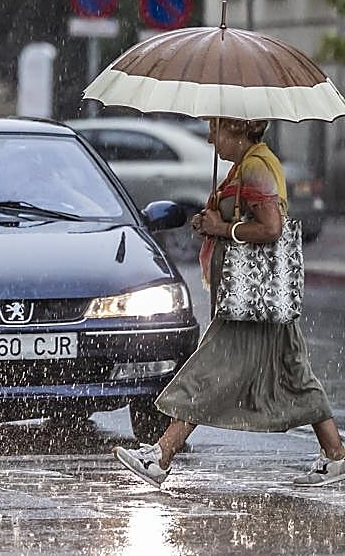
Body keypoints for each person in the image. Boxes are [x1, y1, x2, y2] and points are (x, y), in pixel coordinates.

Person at [113, 118, 345, 488]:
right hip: (265, 299)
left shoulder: (256, 167)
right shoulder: (251, 162)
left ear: (238, 129)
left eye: (215, 129)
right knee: (295, 371)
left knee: (209, 369)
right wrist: (213, 221)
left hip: (251, 298)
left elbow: (271, 227)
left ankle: (161, 455)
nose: (209, 137)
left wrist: (222, 229)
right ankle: (335, 456)